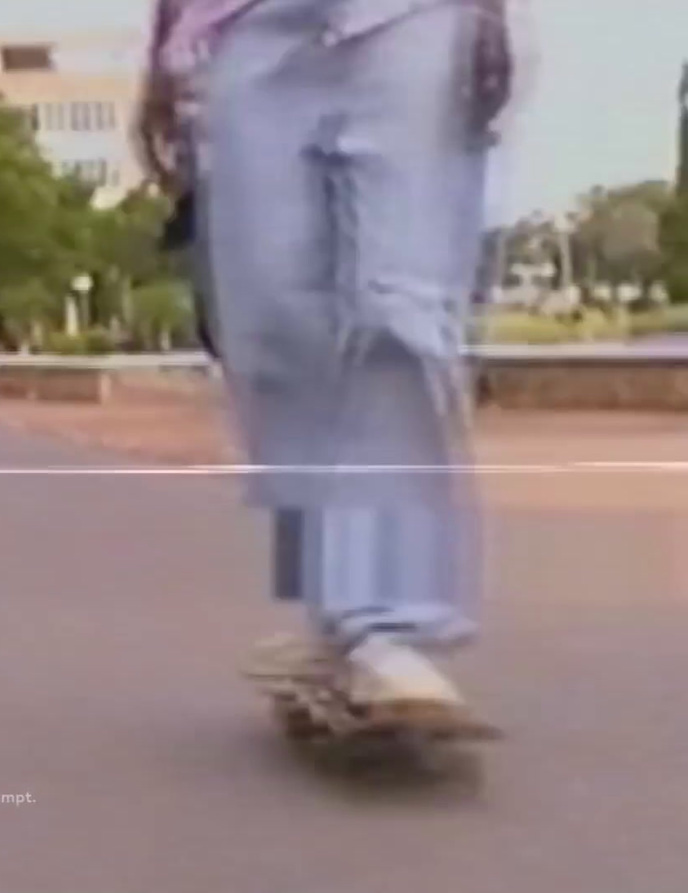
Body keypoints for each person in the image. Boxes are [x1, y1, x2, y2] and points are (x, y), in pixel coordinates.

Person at [138, 0, 518, 719]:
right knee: (275, 326)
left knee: (399, 312)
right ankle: (334, 606)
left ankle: (390, 627)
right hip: (238, 30)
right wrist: (162, 47)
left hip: (415, 19)